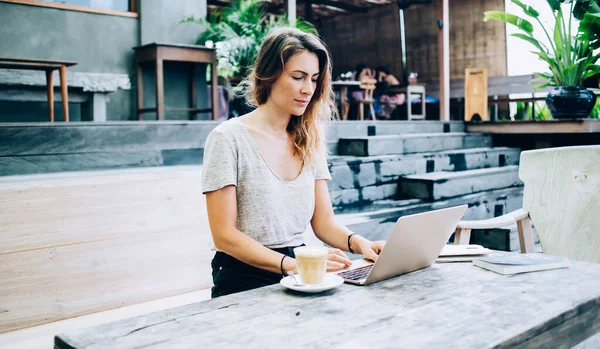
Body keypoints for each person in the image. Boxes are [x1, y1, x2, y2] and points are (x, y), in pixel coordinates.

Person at [202, 28, 386, 298]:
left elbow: (323, 223)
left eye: (313, 79)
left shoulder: (310, 138)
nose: (308, 89)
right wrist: (292, 265)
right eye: (297, 77)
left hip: (302, 272)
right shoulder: (227, 138)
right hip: (242, 277)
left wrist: (361, 243)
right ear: (269, 75)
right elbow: (224, 235)